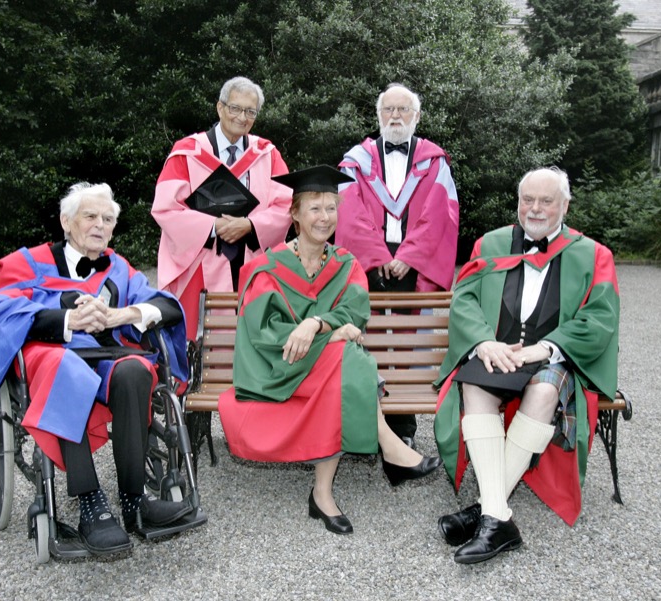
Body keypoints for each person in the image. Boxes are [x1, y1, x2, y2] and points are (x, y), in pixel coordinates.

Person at [0, 183, 196, 557]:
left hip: (105, 355)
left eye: (107, 219)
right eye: (90, 216)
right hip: (52, 354)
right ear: (66, 221)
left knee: (136, 371)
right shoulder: (28, 262)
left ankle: (134, 501)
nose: (99, 225)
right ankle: (90, 503)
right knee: (68, 370)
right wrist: (67, 319)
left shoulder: (118, 268)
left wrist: (125, 314)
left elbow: (166, 306)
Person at [217, 165, 442, 535]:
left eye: (331, 208)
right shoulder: (266, 269)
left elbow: (356, 311)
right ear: (295, 215)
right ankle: (389, 448)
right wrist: (332, 333)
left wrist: (316, 325)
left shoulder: (344, 264)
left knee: (342, 362)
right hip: (277, 368)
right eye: (315, 208)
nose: (325, 217)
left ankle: (324, 494)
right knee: (346, 358)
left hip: (323, 369)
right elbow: (264, 333)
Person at [433, 167, 620, 564]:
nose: (535, 209)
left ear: (565, 205)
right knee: (474, 384)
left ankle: (485, 509)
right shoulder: (491, 243)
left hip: (552, 357)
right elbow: (463, 299)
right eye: (527, 200)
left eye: (546, 201)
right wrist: (484, 341)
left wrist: (548, 347)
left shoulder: (592, 254)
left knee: (546, 389)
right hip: (498, 350)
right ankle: (497, 518)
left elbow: (600, 318)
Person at [337, 83, 460, 447]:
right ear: (378, 116)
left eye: (402, 110)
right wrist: (376, 255)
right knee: (365, 337)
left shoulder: (433, 161)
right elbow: (349, 211)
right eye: (388, 110)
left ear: (416, 116)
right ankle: (366, 424)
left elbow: (440, 213)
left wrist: (408, 256)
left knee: (408, 344)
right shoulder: (355, 159)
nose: (394, 116)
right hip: (368, 259)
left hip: (414, 264)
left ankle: (403, 428)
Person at [152, 76, 293, 341]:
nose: (242, 117)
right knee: (197, 339)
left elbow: (285, 205)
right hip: (201, 257)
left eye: (250, 112)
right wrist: (213, 227)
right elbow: (166, 208)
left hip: (251, 257)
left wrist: (250, 226)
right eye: (235, 108)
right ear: (220, 108)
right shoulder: (187, 152)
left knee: (253, 336)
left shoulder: (267, 153)